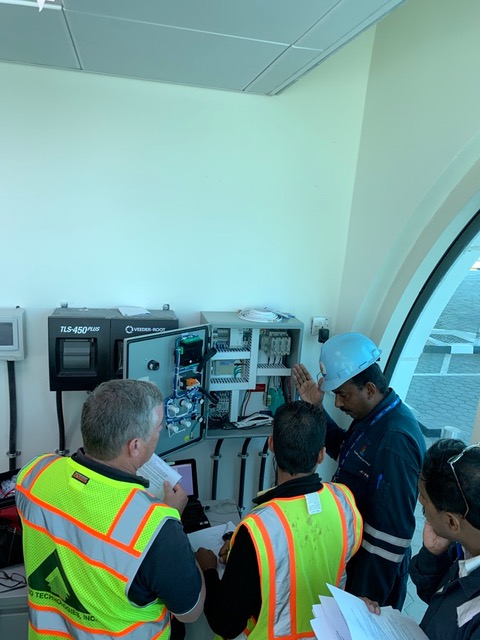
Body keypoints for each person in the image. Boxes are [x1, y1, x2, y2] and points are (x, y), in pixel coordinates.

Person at [15, 379, 205, 640]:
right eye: (159, 428)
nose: (159, 433)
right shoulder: (158, 528)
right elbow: (190, 613)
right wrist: (173, 518)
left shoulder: (34, 473)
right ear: (135, 446)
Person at [195, 400, 363, 639]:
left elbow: (225, 625)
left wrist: (209, 569)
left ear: (271, 444)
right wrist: (240, 548)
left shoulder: (258, 528)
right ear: (321, 454)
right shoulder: (343, 501)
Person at [292, 332, 425, 609]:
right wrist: (315, 409)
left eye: (343, 395)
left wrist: (366, 597)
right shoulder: (373, 417)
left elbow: (391, 534)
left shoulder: (394, 440)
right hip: (354, 558)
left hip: (371, 580)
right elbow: (346, 451)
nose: (338, 403)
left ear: (369, 389)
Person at [409, 439, 480, 639]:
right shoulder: (464, 546)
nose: (419, 500)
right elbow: (442, 602)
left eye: (425, 503)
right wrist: (434, 556)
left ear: (452, 522)